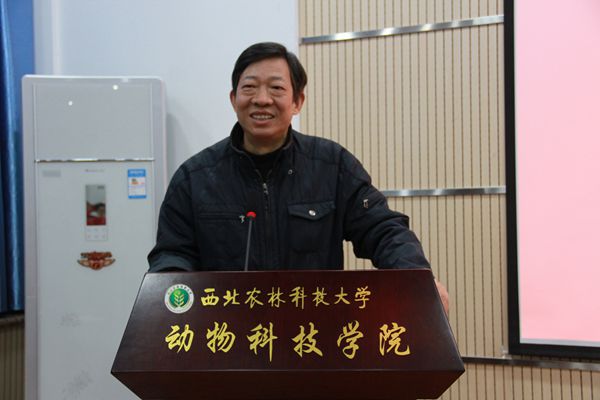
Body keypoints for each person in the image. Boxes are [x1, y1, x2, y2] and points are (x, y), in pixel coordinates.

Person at [148, 42, 449, 312]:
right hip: (226, 335)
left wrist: (417, 280)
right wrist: (166, 304)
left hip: (313, 335)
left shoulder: (332, 165)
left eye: (276, 88)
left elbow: (383, 229)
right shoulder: (195, 178)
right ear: (233, 98)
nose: (261, 99)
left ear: (297, 101)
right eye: (249, 87)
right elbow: (172, 256)